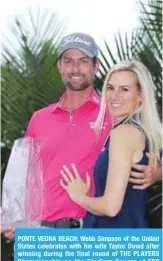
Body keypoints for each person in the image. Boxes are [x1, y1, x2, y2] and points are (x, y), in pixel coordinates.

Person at [2, 33, 161, 236]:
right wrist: (14, 218)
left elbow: (148, 146)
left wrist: (158, 173)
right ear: (60, 67)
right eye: (68, 61)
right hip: (42, 232)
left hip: (90, 232)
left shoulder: (113, 114)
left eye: (83, 61)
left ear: (96, 66)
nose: (75, 69)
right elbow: (25, 177)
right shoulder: (39, 119)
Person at [60, 60, 162, 228]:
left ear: (141, 96)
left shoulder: (123, 133)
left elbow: (111, 207)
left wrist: (79, 197)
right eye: (110, 88)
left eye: (124, 89)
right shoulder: (142, 132)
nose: (115, 96)